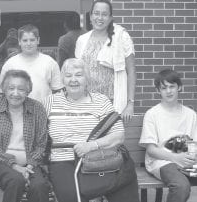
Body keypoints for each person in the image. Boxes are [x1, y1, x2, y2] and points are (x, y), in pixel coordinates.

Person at [42, 58, 139, 202]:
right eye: (68, 76)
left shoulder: (101, 101)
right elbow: (37, 131)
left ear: (87, 79)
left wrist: (91, 146)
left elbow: (119, 135)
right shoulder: (49, 102)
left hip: (98, 159)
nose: (73, 80)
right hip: (62, 161)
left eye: (79, 75)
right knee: (70, 196)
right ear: (63, 80)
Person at [0, 69, 50, 202]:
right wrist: (15, 166)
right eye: (11, 88)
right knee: (16, 180)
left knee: (39, 185)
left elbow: (41, 145)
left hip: (30, 162)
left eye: (21, 89)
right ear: (4, 89)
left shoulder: (37, 108)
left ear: (28, 91)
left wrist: (28, 167)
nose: (15, 93)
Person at [139, 69, 197, 202]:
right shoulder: (152, 114)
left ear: (179, 87)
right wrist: (176, 158)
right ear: (158, 91)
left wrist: (191, 158)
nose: (169, 91)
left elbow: (194, 144)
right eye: (164, 88)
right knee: (181, 186)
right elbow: (151, 150)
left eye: (172, 86)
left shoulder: (190, 115)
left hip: (186, 161)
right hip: (162, 162)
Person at [75, 0, 136, 122]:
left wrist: (130, 104)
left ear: (110, 18)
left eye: (104, 14)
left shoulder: (121, 37)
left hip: (112, 104)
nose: (100, 18)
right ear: (91, 16)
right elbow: (77, 73)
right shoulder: (82, 40)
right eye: (96, 13)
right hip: (87, 104)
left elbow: (132, 72)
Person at [0, 24, 63, 102]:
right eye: (25, 40)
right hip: (16, 112)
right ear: (19, 41)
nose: (28, 44)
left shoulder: (50, 63)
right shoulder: (10, 64)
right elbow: (1, 93)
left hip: (44, 111)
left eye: (32, 40)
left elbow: (58, 92)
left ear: (38, 40)